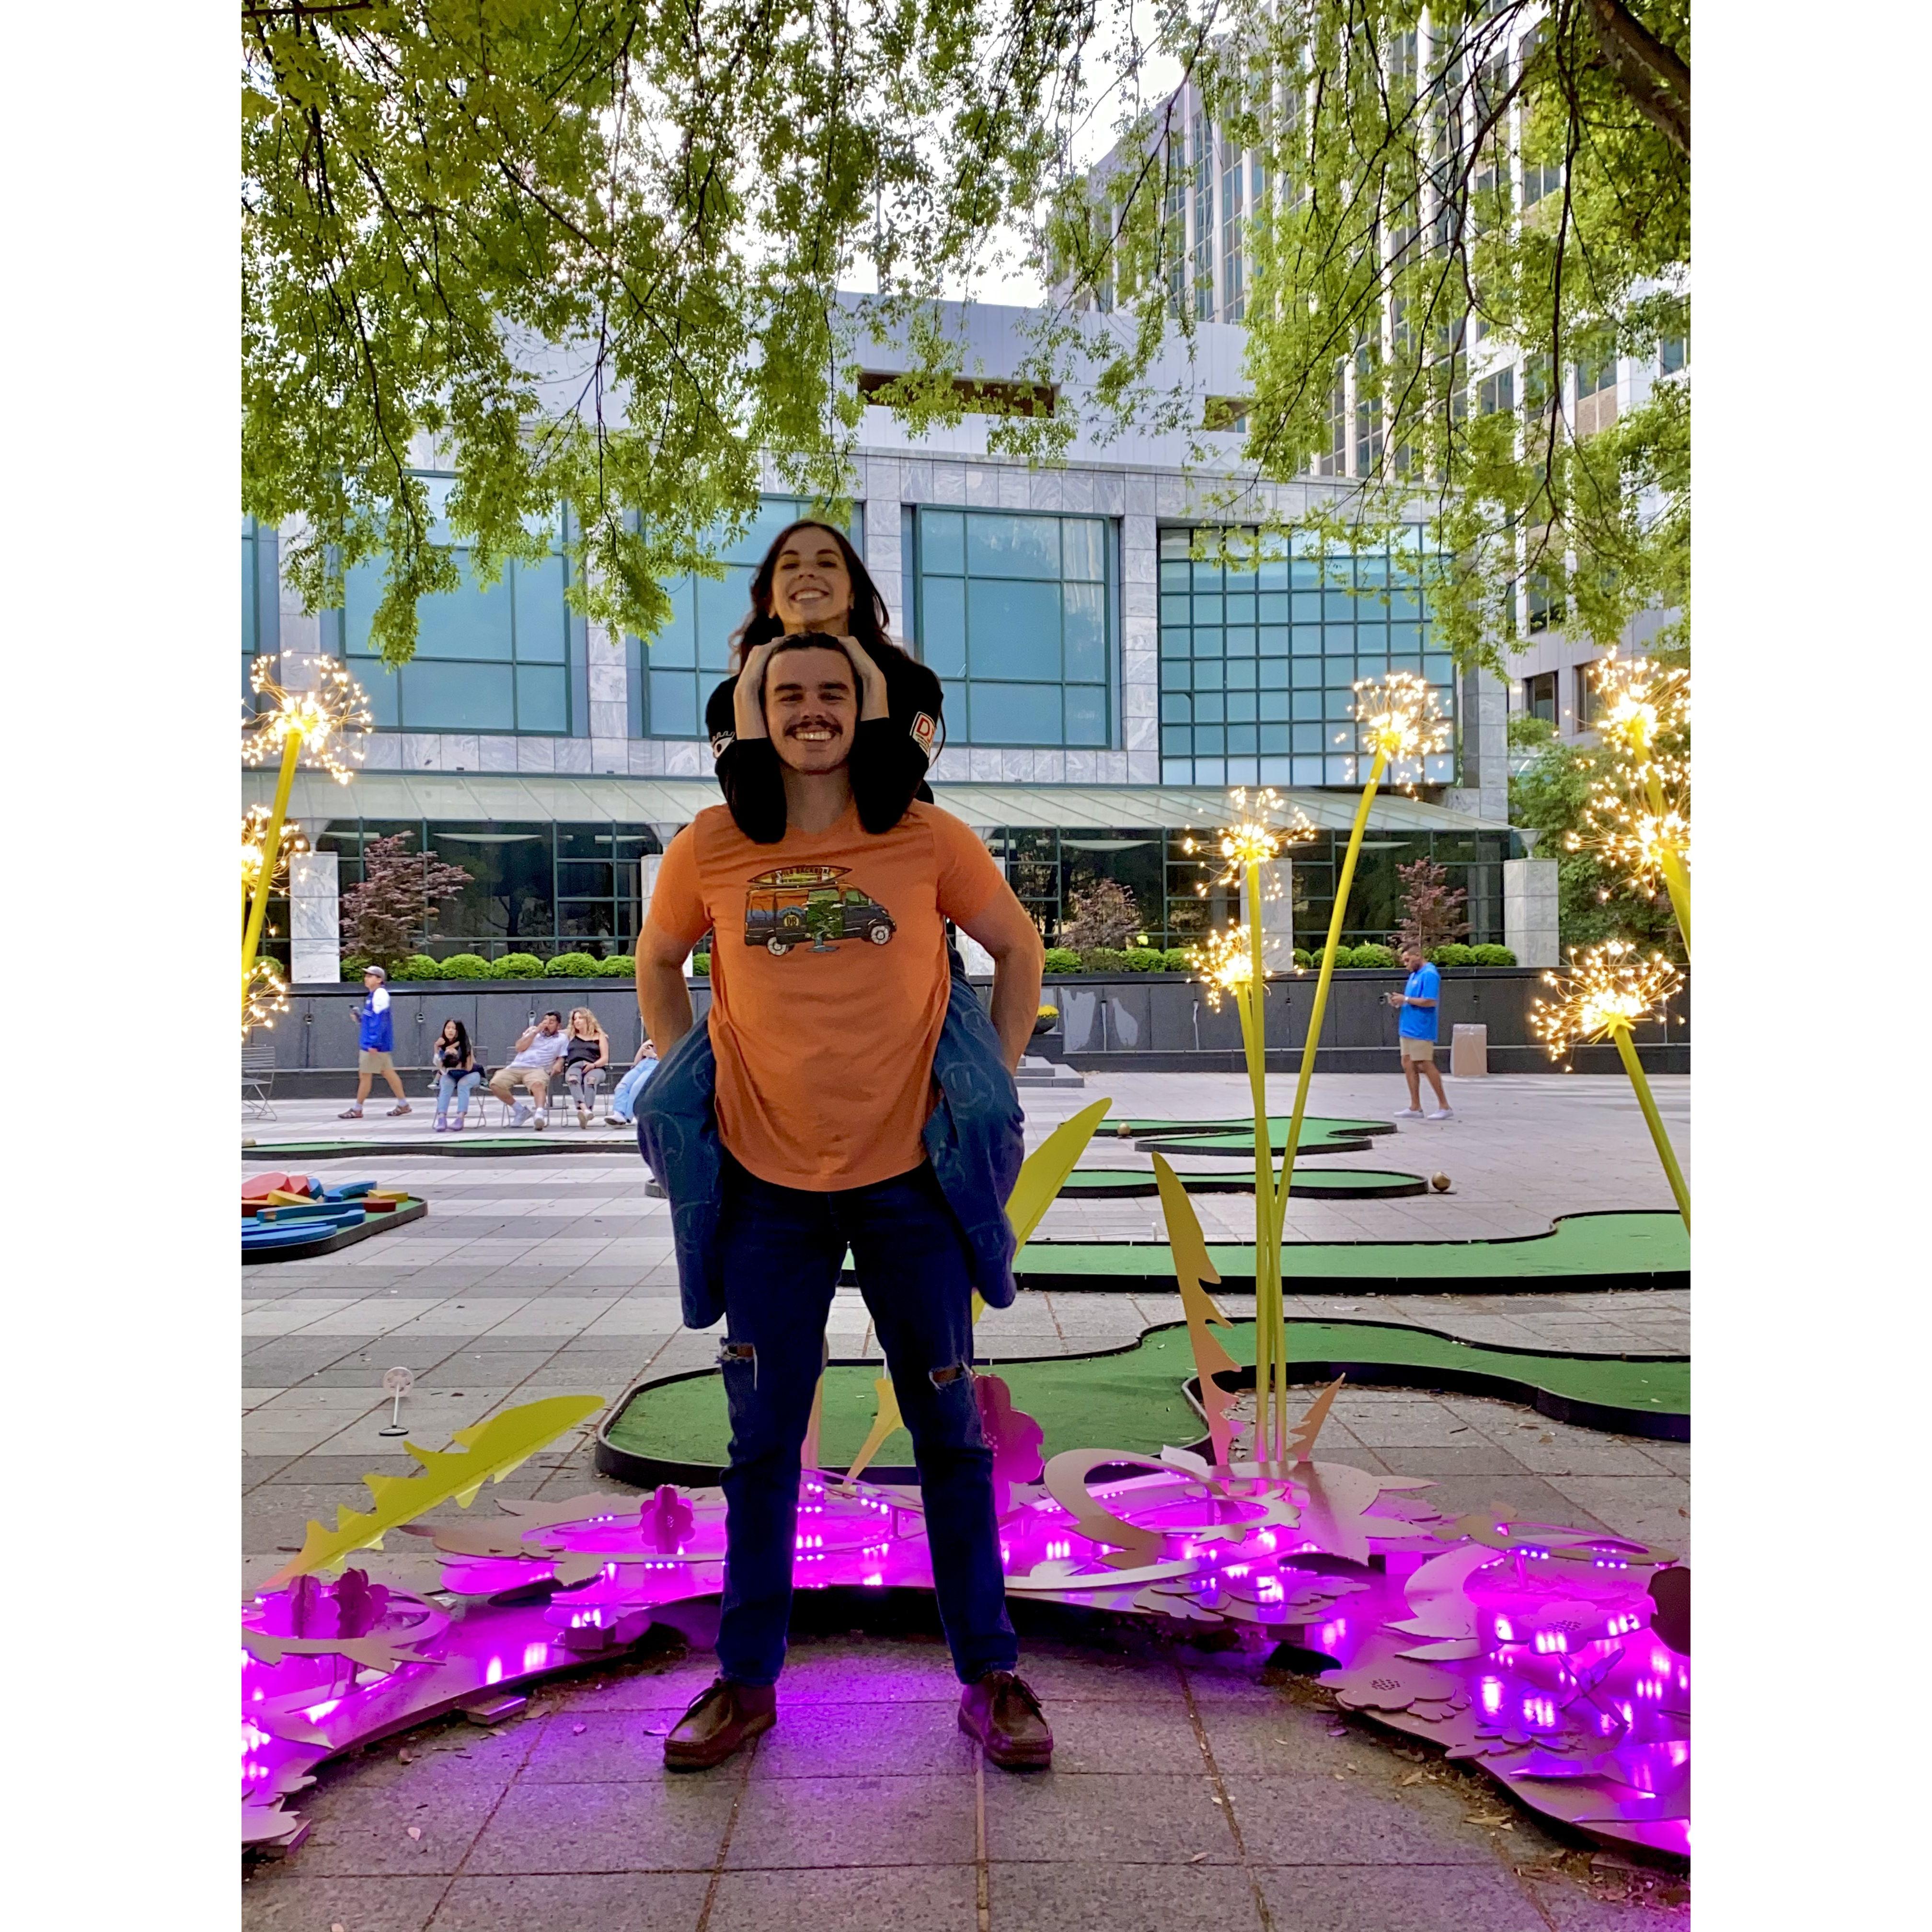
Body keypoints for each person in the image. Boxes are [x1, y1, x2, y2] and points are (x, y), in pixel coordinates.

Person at [637, 520, 1050, 1775]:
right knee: (762, 1445)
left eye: (831, 694)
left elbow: (1018, 949)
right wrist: (690, 1072)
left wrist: (989, 1077)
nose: (810, 711)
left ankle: (992, 1675)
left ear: (863, 708)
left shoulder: (926, 836)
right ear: (753, 716)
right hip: (767, 1194)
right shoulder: (711, 845)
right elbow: (659, 958)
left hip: (912, 1188)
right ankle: (744, 1683)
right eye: (788, 697)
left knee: (951, 1438)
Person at [1391, 944, 1455, 1122]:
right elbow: (1414, 1000)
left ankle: (1444, 1106)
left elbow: (1430, 1001)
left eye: (1408, 960)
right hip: (1408, 1026)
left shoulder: (1429, 974)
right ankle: (1415, 1107)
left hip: (1421, 1028)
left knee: (1424, 1063)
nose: (1406, 965)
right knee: (1408, 1063)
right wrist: (1401, 1001)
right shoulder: (1415, 975)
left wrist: (1405, 999)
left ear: (1418, 955)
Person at [340, 965, 412, 1119]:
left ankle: (358, 1109)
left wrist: (373, 1043)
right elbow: (374, 1020)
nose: (366, 978)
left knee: (365, 1075)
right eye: (366, 975)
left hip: (373, 1045)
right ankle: (403, 1104)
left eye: (370, 976)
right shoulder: (373, 996)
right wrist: (360, 1018)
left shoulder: (379, 995)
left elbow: (380, 1021)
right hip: (377, 1043)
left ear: (379, 979)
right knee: (388, 1072)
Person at [487, 1010, 570, 1128]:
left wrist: (559, 1064)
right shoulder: (533, 1033)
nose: (547, 1024)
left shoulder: (562, 1039)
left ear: (558, 1026)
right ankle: (520, 1111)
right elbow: (519, 1047)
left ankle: (539, 1115)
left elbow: (563, 1056)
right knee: (496, 1084)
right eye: (545, 1020)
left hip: (538, 1069)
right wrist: (535, 1032)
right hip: (516, 1067)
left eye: (552, 1022)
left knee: (538, 1084)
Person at [560, 1007, 611, 1127]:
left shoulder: (600, 1036)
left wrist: (593, 1065)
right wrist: (534, 1030)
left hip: (596, 1067)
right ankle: (585, 1109)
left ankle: (586, 1114)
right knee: (573, 1079)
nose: (577, 1021)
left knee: (590, 1081)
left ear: (588, 1019)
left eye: (580, 1018)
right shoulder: (571, 1035)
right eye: (575, 1019)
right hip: (575, 1066)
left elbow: (605, 1058)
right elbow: (555, 1032)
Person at [431, 1018, 480, 1133]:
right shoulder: (443, 1045)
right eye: (448, 1028)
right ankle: (441, 1118)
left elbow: (469, 1067)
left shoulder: (465, 1044)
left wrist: (457, 1058)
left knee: (463, 1084)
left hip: (470, 1074)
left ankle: (460, 1118)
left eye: (454, 1028)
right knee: (445, 1083)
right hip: (452, 1075)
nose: (450, 1031)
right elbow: (440, 1067)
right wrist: (437, 1049)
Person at [603, 1036, 659, 1126]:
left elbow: (670, 1060)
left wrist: (654, 1055)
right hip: (642, 1064)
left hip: (656, 1065)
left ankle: (628, 1116)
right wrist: (642, 1048)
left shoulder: (670, 1040)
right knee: (622, 1086)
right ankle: (619, 1113)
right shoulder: (652, 1039)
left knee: (637, 1087)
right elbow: (636, 1062)